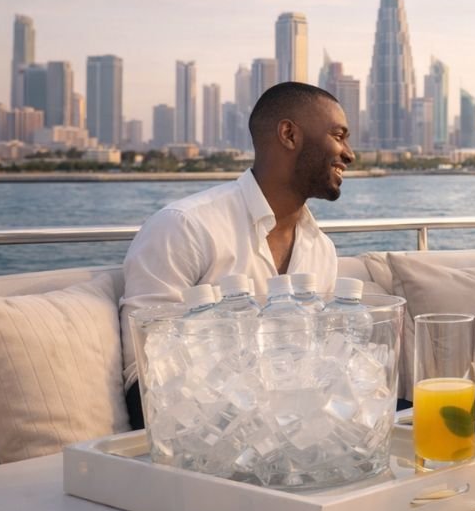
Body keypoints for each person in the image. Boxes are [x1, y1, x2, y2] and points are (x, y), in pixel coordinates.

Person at [120, 82, 355, 429]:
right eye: (338, 136)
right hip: (205, 442)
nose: (348, 153)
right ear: (289, 135)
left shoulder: (321, 250)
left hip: (297, 442)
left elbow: (320, 371)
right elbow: (146, 380)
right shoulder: (184, 227)